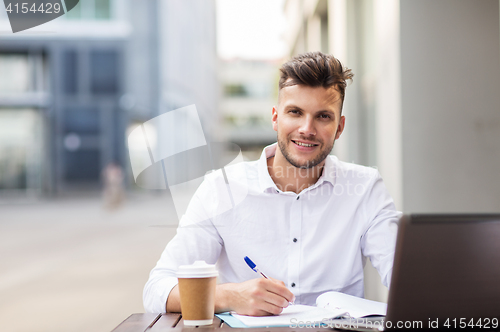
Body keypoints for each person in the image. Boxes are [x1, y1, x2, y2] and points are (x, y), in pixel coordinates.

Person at [143, 52, 400, 316]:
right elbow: (157, 290)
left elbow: (406, 278)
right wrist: (228, 296)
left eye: (323, 116)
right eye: (295, 112)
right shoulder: (221, 189)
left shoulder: (366, 188)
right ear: (276, 118)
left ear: (339, 127)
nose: (307, 129)